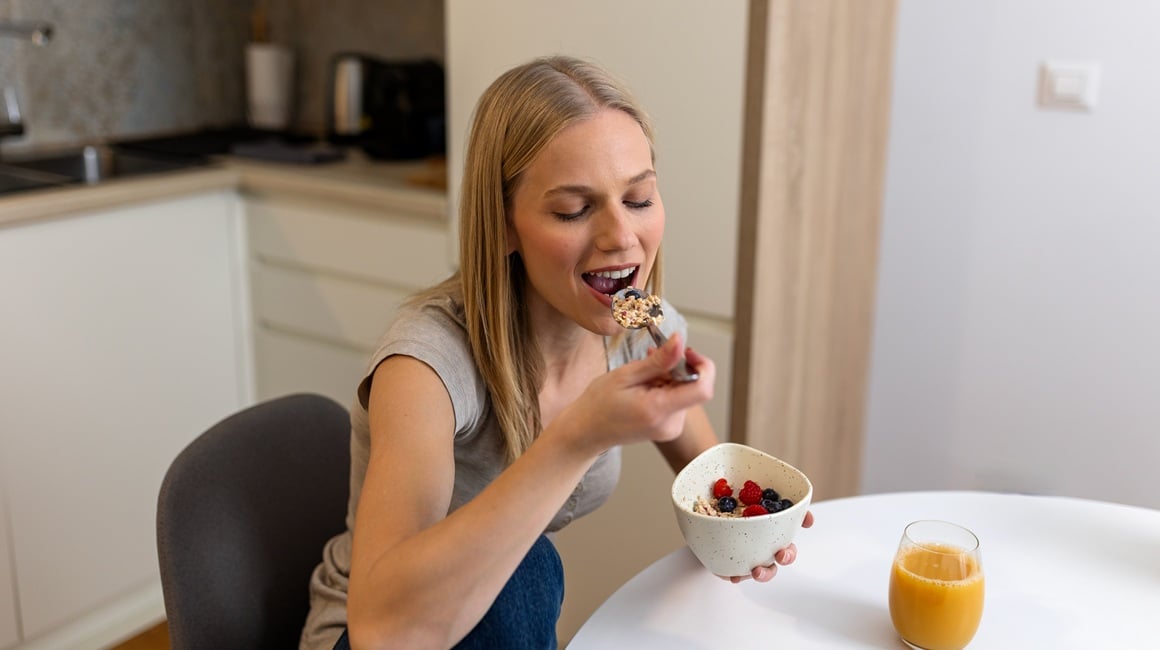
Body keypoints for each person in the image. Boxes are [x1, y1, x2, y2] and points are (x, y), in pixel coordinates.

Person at [300, 54, 812, 650]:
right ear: (503, 224)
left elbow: (714, 484)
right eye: (574, 209)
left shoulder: (641, 331)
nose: (621, 236)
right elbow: (383, 630)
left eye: (639, 199)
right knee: (528, 571)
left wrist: (753, 527)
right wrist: (579, 435)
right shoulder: (426, 366)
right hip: (373, 633)